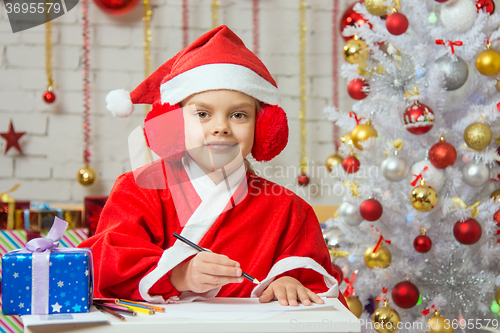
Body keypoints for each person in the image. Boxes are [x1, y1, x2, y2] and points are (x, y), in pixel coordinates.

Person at [79, 25, 347, 308]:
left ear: (264, 127)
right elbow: (102, 265)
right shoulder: (138, 190)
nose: (221, 127)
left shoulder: (290, 210)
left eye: (239, 115)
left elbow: (318, 288)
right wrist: (177, 274)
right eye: (203, 114)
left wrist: (289, 282)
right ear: (174, 121)